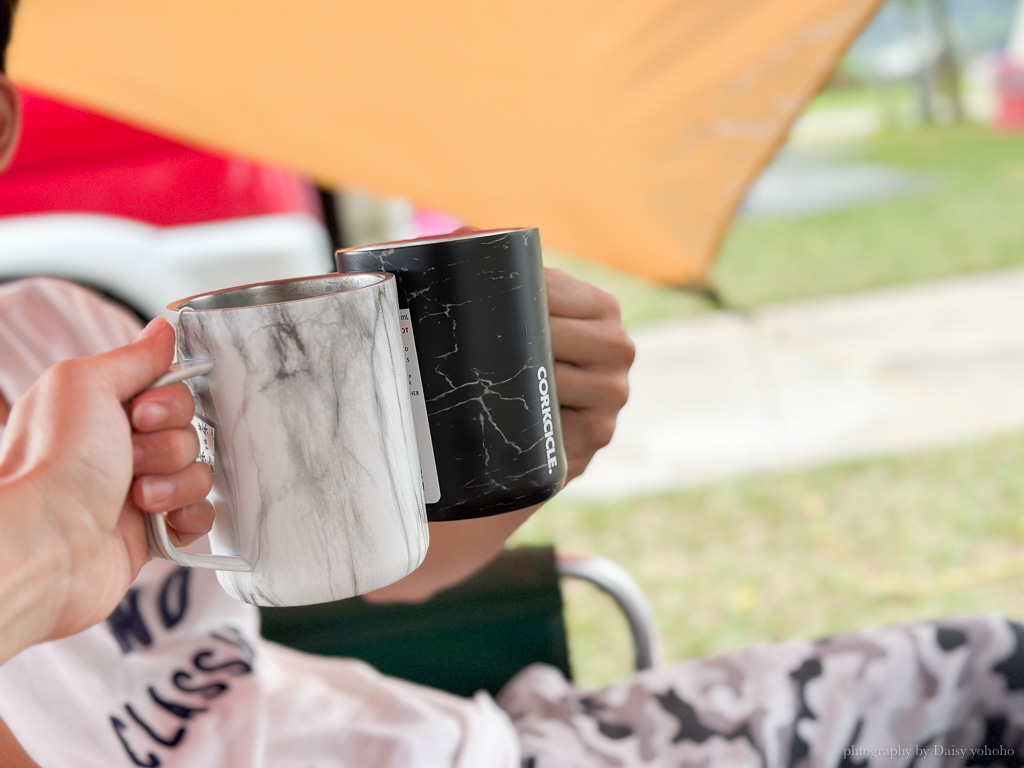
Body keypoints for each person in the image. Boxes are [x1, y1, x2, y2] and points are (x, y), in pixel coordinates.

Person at [2, 4, 1024, 767]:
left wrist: (517, 457)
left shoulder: (56, 331)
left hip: (475, 743)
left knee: (995, 673)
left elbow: (388, 571)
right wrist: (37, 557)